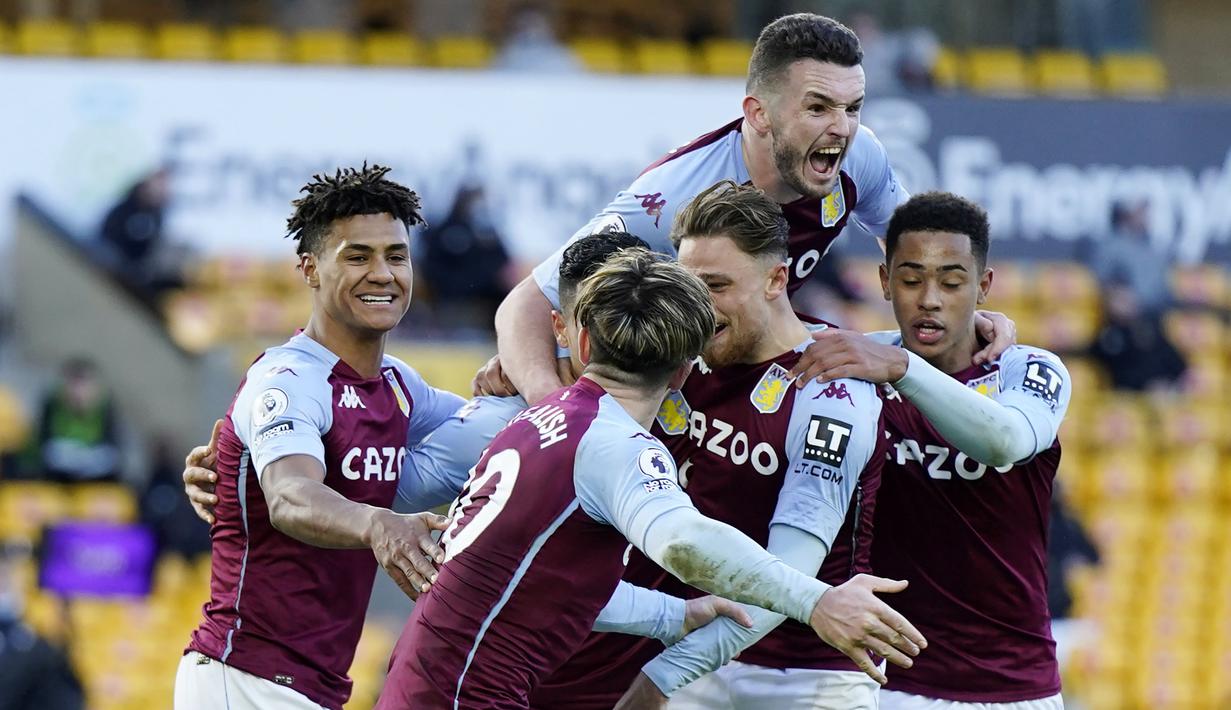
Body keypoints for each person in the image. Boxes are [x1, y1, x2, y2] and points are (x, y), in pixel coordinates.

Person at [374, 249, 924, 709]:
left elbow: (545, 585)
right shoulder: (617, 445)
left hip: (426, 683)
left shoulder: (542, 414)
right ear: (685, 371)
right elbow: (684, 540)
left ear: (584, 344)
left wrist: (675, 614)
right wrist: (816, 601)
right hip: (468, 696)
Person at [486, 12, 1014, 407]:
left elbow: (913, 250)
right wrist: (545, 400)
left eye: (852, 108)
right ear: (758, 115)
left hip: (755, 364)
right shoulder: (674, 196)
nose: (843, 128)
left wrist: (966, 317)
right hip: (665, 388)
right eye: (817, 107)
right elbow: (524, 304)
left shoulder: (860, 158)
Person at [544, 180, 907, 710]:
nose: (698, 306)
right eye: (689, 286)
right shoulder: (677, 357)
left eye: (716, 285)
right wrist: (518, 363)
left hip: (805, 677)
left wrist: (660, 679)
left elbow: (794, 567)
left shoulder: (832, 387)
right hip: (696, 659)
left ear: (775, 280)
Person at [175, 165, 468, 710]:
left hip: (308, 686)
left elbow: (501, 434)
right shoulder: (288, 379)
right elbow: (289, 497)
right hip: (245, 679)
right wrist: (379, 522)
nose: (382, 273)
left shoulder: (401, 386)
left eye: (396, 256)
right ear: (310, 268)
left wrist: (513, 380)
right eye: (357, 256)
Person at [791, 192, 1073, 709]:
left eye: (951, 281)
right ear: (883, 281)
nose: (930, 299)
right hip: (885, 685)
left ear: (983, 286)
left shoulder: (1029, 369)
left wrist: (901, 368)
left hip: (1013, 689)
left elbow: (1004, 441)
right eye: (911, 279)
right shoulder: (857, 376)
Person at [37, 358, 121, 484]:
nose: (79, 389)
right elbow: (45, 440)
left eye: (84, 382)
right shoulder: (53, 402)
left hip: (92, 458)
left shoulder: (105, 405)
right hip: (63, 459)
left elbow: (112, 445)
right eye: (74, 382)